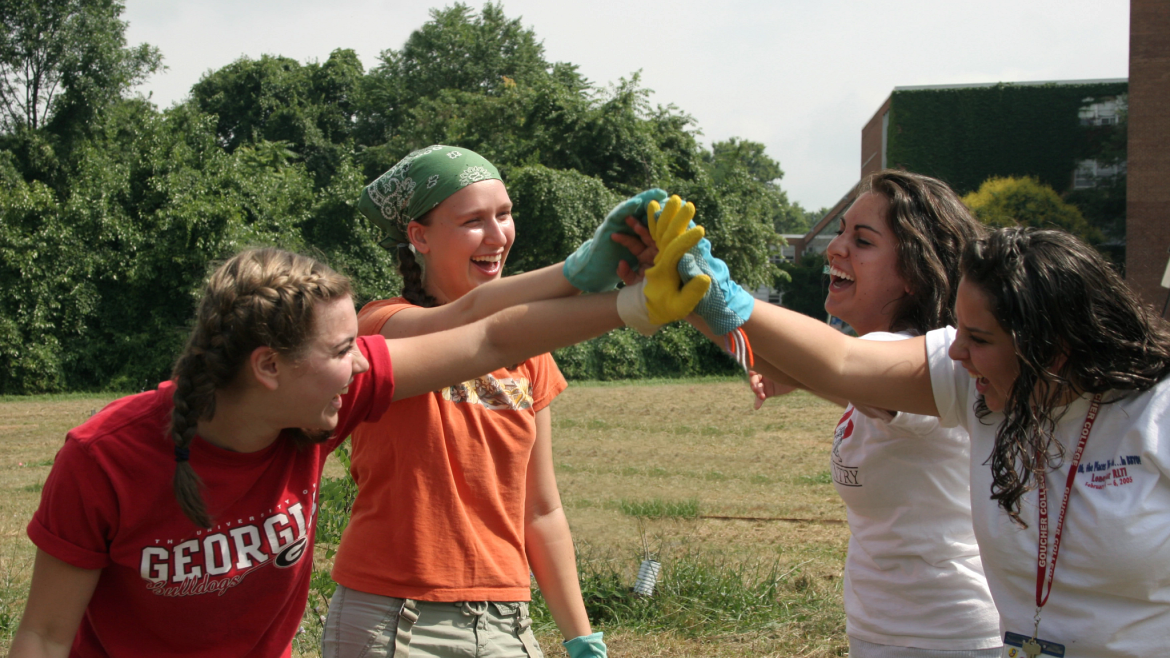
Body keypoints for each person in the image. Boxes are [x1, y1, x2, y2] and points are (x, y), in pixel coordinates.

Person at [10, 194, 708, 658]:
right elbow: (42, 636)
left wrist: (630, 304)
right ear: (268, 368)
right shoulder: (104, 458)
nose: (362, 367)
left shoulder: (328, 400)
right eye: (343, 351)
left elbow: (489, 339)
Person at [666, 223, 1170, 658]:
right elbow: (842, 363)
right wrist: (714, 297)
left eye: (980, 339)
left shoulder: (1155, 413)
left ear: (1052, 350)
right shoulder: (975, 383)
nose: (957, 353)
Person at [321, 146, 704, 658]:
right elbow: (479, 323)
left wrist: (581, 637)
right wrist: (585, 276)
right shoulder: (381, 327)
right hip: (395, 620)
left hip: (505, 619)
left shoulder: (529, 352)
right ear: (420, 237)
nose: (498, 235)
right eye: (473, 221)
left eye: (503, 214)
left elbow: (541, 510)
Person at [747, 171, 1001, 657]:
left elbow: (837, 363)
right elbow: (836, 376)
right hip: (889, 630)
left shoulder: (920, 356)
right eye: (840, 232)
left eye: (862, 241)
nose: (835, 249)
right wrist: (802, 377)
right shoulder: (898, 366)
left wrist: (695, 291)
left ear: (912, 272)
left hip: (946, 638)